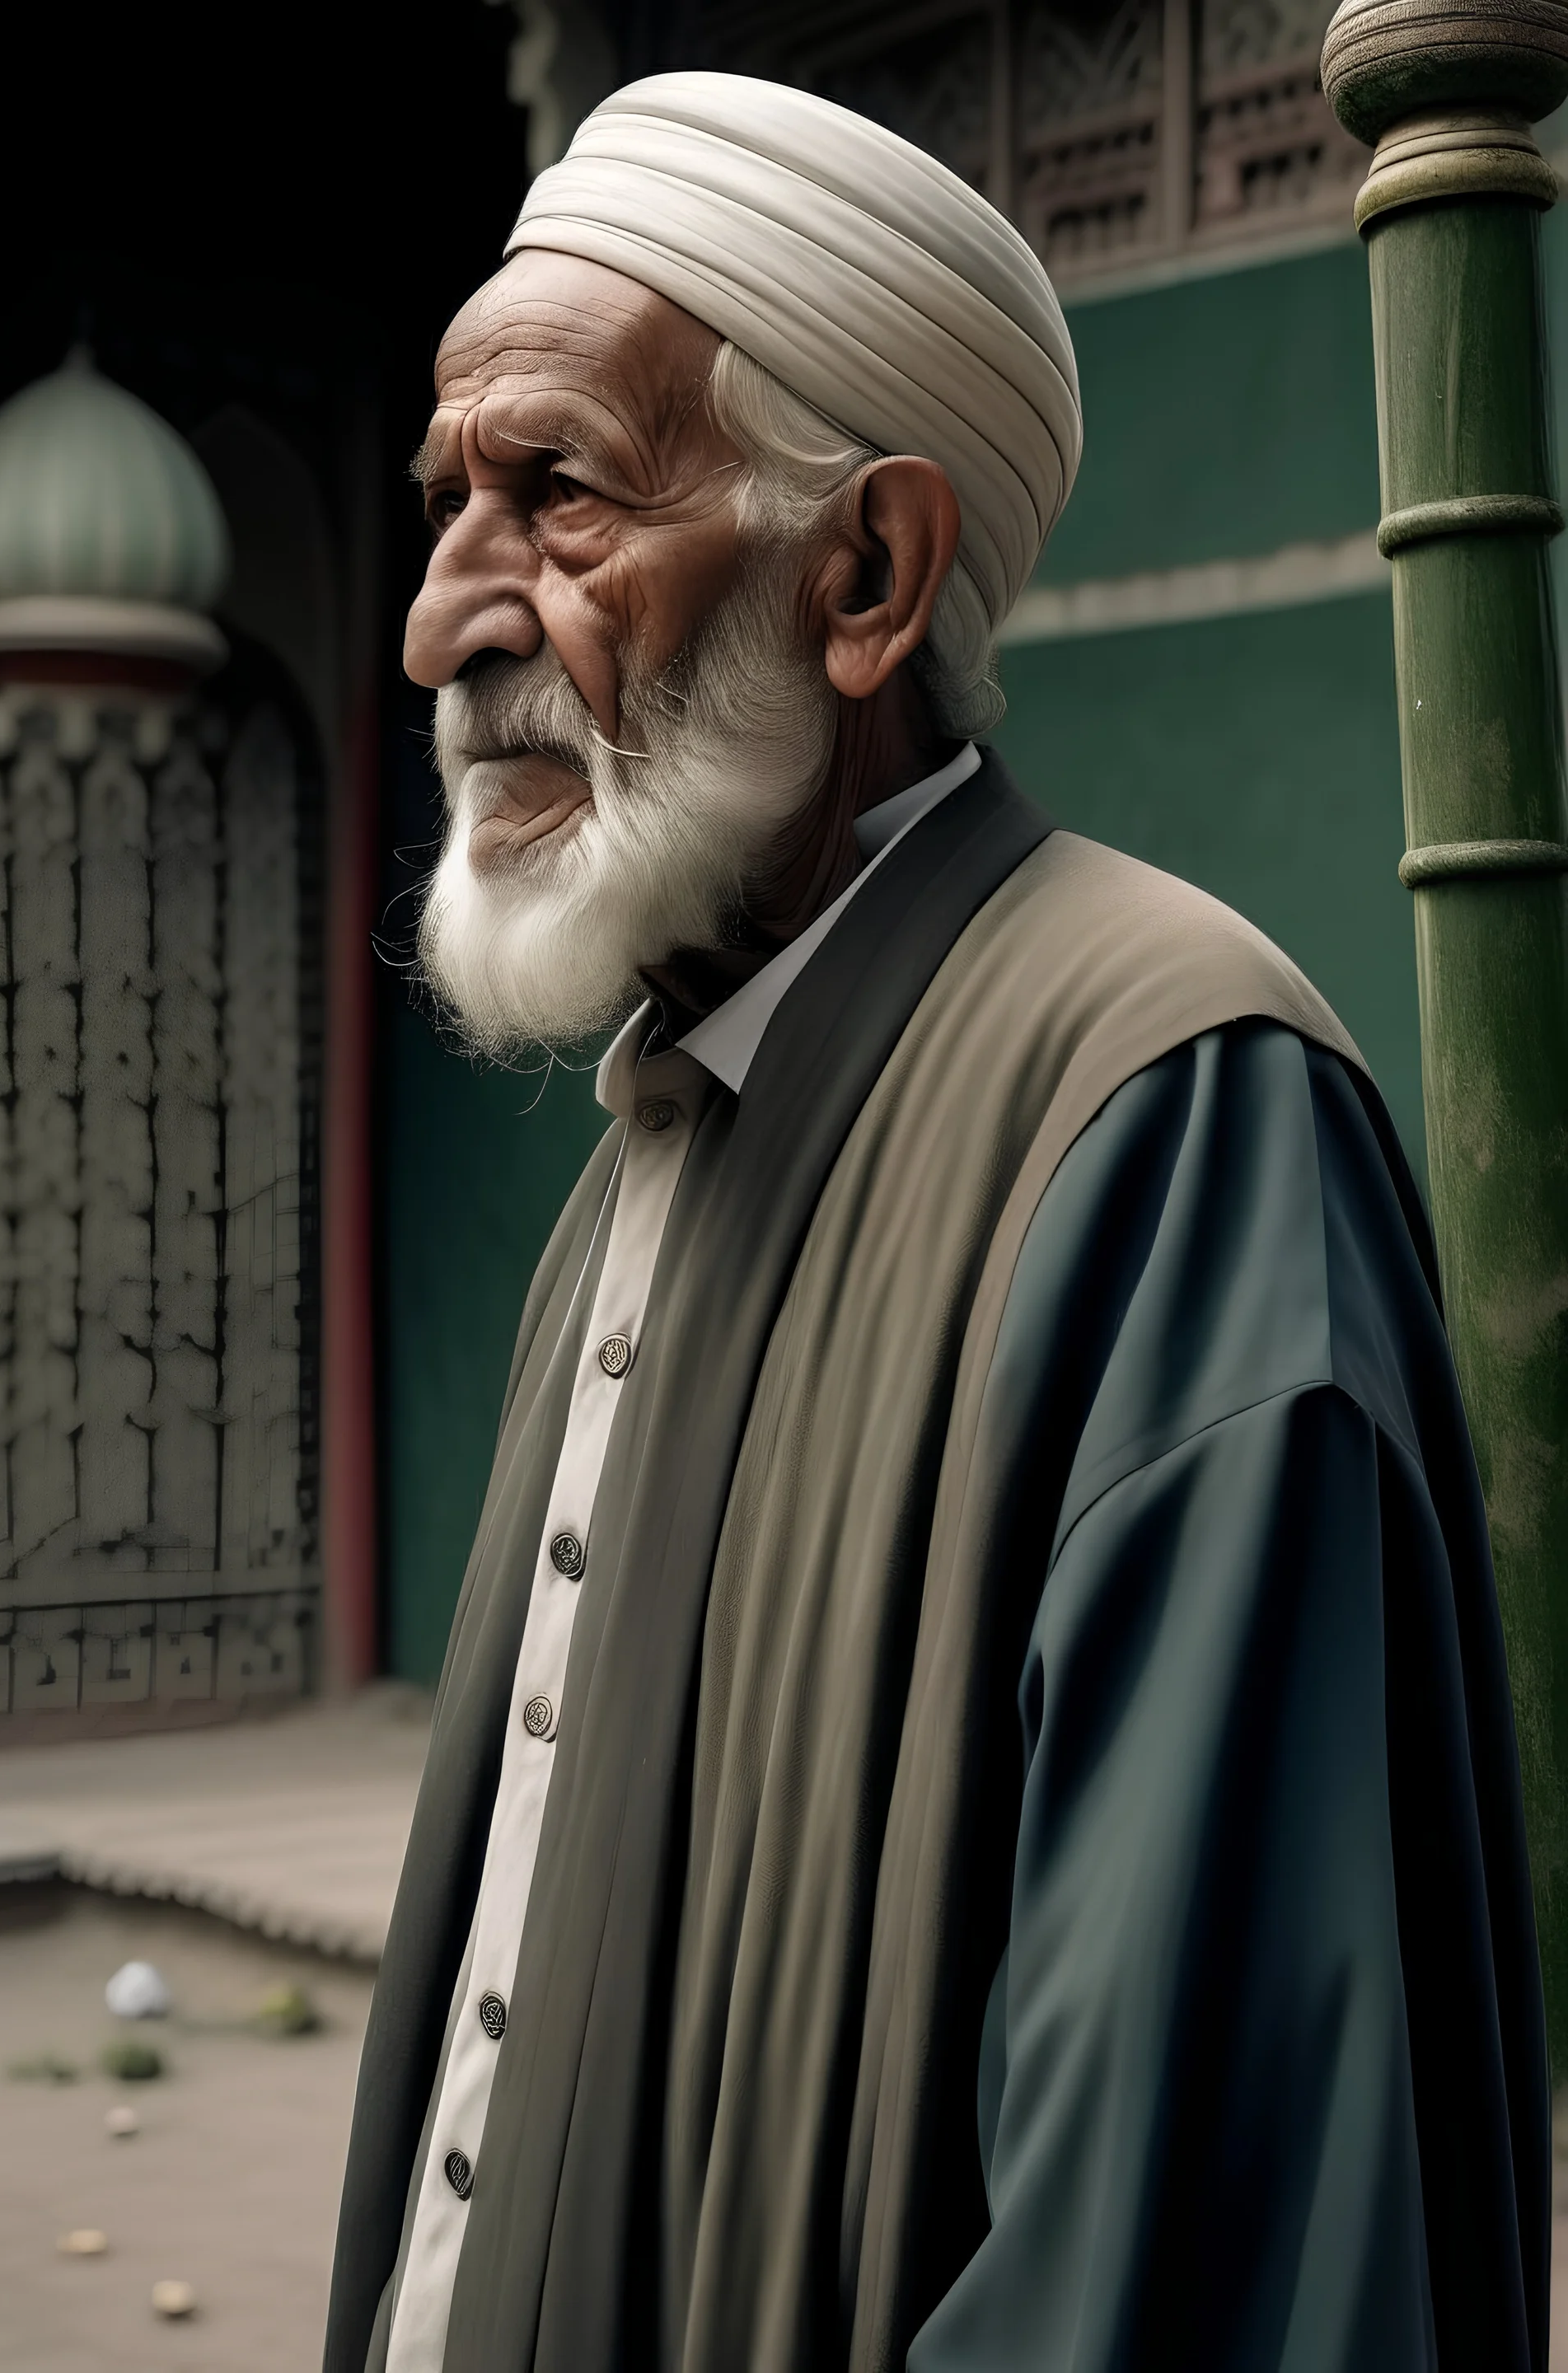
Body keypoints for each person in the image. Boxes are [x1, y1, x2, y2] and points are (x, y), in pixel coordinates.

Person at [325, 70, 1548, 2373]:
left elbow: (1191, 2249)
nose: (438, 625)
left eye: (558, 495)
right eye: (442, 506)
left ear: (866, 575)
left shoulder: (1176, 1116)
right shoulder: (638, 1171)